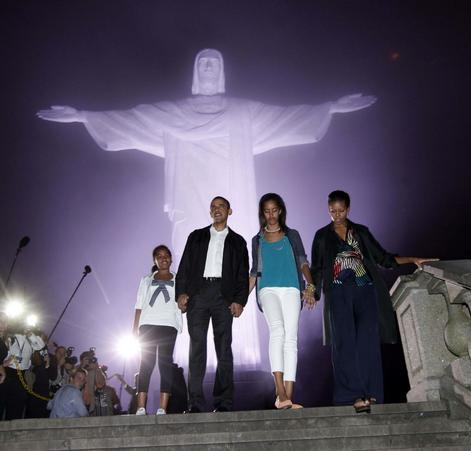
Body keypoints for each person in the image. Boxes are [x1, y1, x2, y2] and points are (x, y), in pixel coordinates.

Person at [37, 48, 377, 368]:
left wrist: (329, 108)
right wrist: (83, 116)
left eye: (215, 61)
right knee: (193, 269)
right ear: (195, 74)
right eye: (203, 62)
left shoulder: (243, 111)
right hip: (191, 203)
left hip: (232, 199)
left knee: (232, 266)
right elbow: (130, 121)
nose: (209, 66)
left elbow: (286, 118)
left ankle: (237, 351)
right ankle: (188, 354)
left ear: (223, 73)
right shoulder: (173, 114)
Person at [311, 190, 436, 413]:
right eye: (333, 211)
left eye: (341, 210)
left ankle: (372, 394)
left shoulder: (361, 232)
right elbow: (317, 268)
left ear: (348, 209)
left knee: (367, 344)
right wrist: (312, 290)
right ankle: (352, 396)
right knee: (344, 344)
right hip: (338, 294)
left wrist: (412, 259)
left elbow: (383, 258)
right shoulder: (322, 236)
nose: (337, 215)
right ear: (328, 210)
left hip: (365, 291)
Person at [176, 196, 249, 412]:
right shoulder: (196, 237)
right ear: (210, 213)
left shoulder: (238, 241)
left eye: (221, 206)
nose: (217, 210)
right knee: (196, 348)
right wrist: (181, 293)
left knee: (224, 350)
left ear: (230, 211)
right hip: (198, 295)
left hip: (223, 297)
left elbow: (242, 275)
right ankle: (195, 403)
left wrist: (239, 300)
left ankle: (223, 402)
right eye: (213, 207)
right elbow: (184, 267)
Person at [249, 193, 315, 409]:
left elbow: (303, 261)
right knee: (277, 331)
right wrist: (240, 299)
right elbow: (254, 272)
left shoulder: (292, 235)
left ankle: (287, 397)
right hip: (267, 289)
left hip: (292, 289)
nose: (271, 215)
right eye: (266, 211)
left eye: (274, 210)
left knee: (291, 338)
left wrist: (310, 286)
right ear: (262, 213)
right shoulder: (257, 240)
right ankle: (279, 390)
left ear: (280, 211)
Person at [132, 244, 182, 415]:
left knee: (165, 364)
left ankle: (162, 408)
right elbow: (138, 305)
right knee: (146, 364)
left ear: (171, 259)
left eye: (166, 255)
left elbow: (182, 304)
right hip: (148, 324)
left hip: (169, 324)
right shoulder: (146, 280)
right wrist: (134, 328)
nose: (163, 258)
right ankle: (140, 407)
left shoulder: (179, 279)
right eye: (159, 256)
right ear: (154, 260)